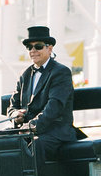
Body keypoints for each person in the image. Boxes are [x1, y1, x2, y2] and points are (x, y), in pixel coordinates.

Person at [6, 25, 76, 161]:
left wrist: (32, 126)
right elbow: (12, 106)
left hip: (55, 131)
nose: (33, 51)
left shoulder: (61, 72)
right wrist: (15, 115)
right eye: (29, 47)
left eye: (38, 46)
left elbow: (54, 107)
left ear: (49, 48)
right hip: (26, 130)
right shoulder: (24, 75)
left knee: (35, 145)